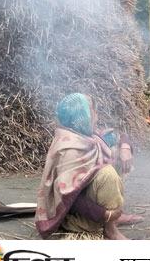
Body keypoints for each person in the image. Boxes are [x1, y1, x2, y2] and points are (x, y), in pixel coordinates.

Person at [35, 93, 128, 240]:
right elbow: (69, 198)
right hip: (71, 217)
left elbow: (117, 135)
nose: (96, 115)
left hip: (87, 205)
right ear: (82, 116)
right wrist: (105, 214)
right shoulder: (70, 148)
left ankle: (112, 221)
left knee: (114, 153)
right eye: (92, 111)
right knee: (108, 173)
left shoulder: (85, 137)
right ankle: (110, 229)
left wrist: (125, 148)